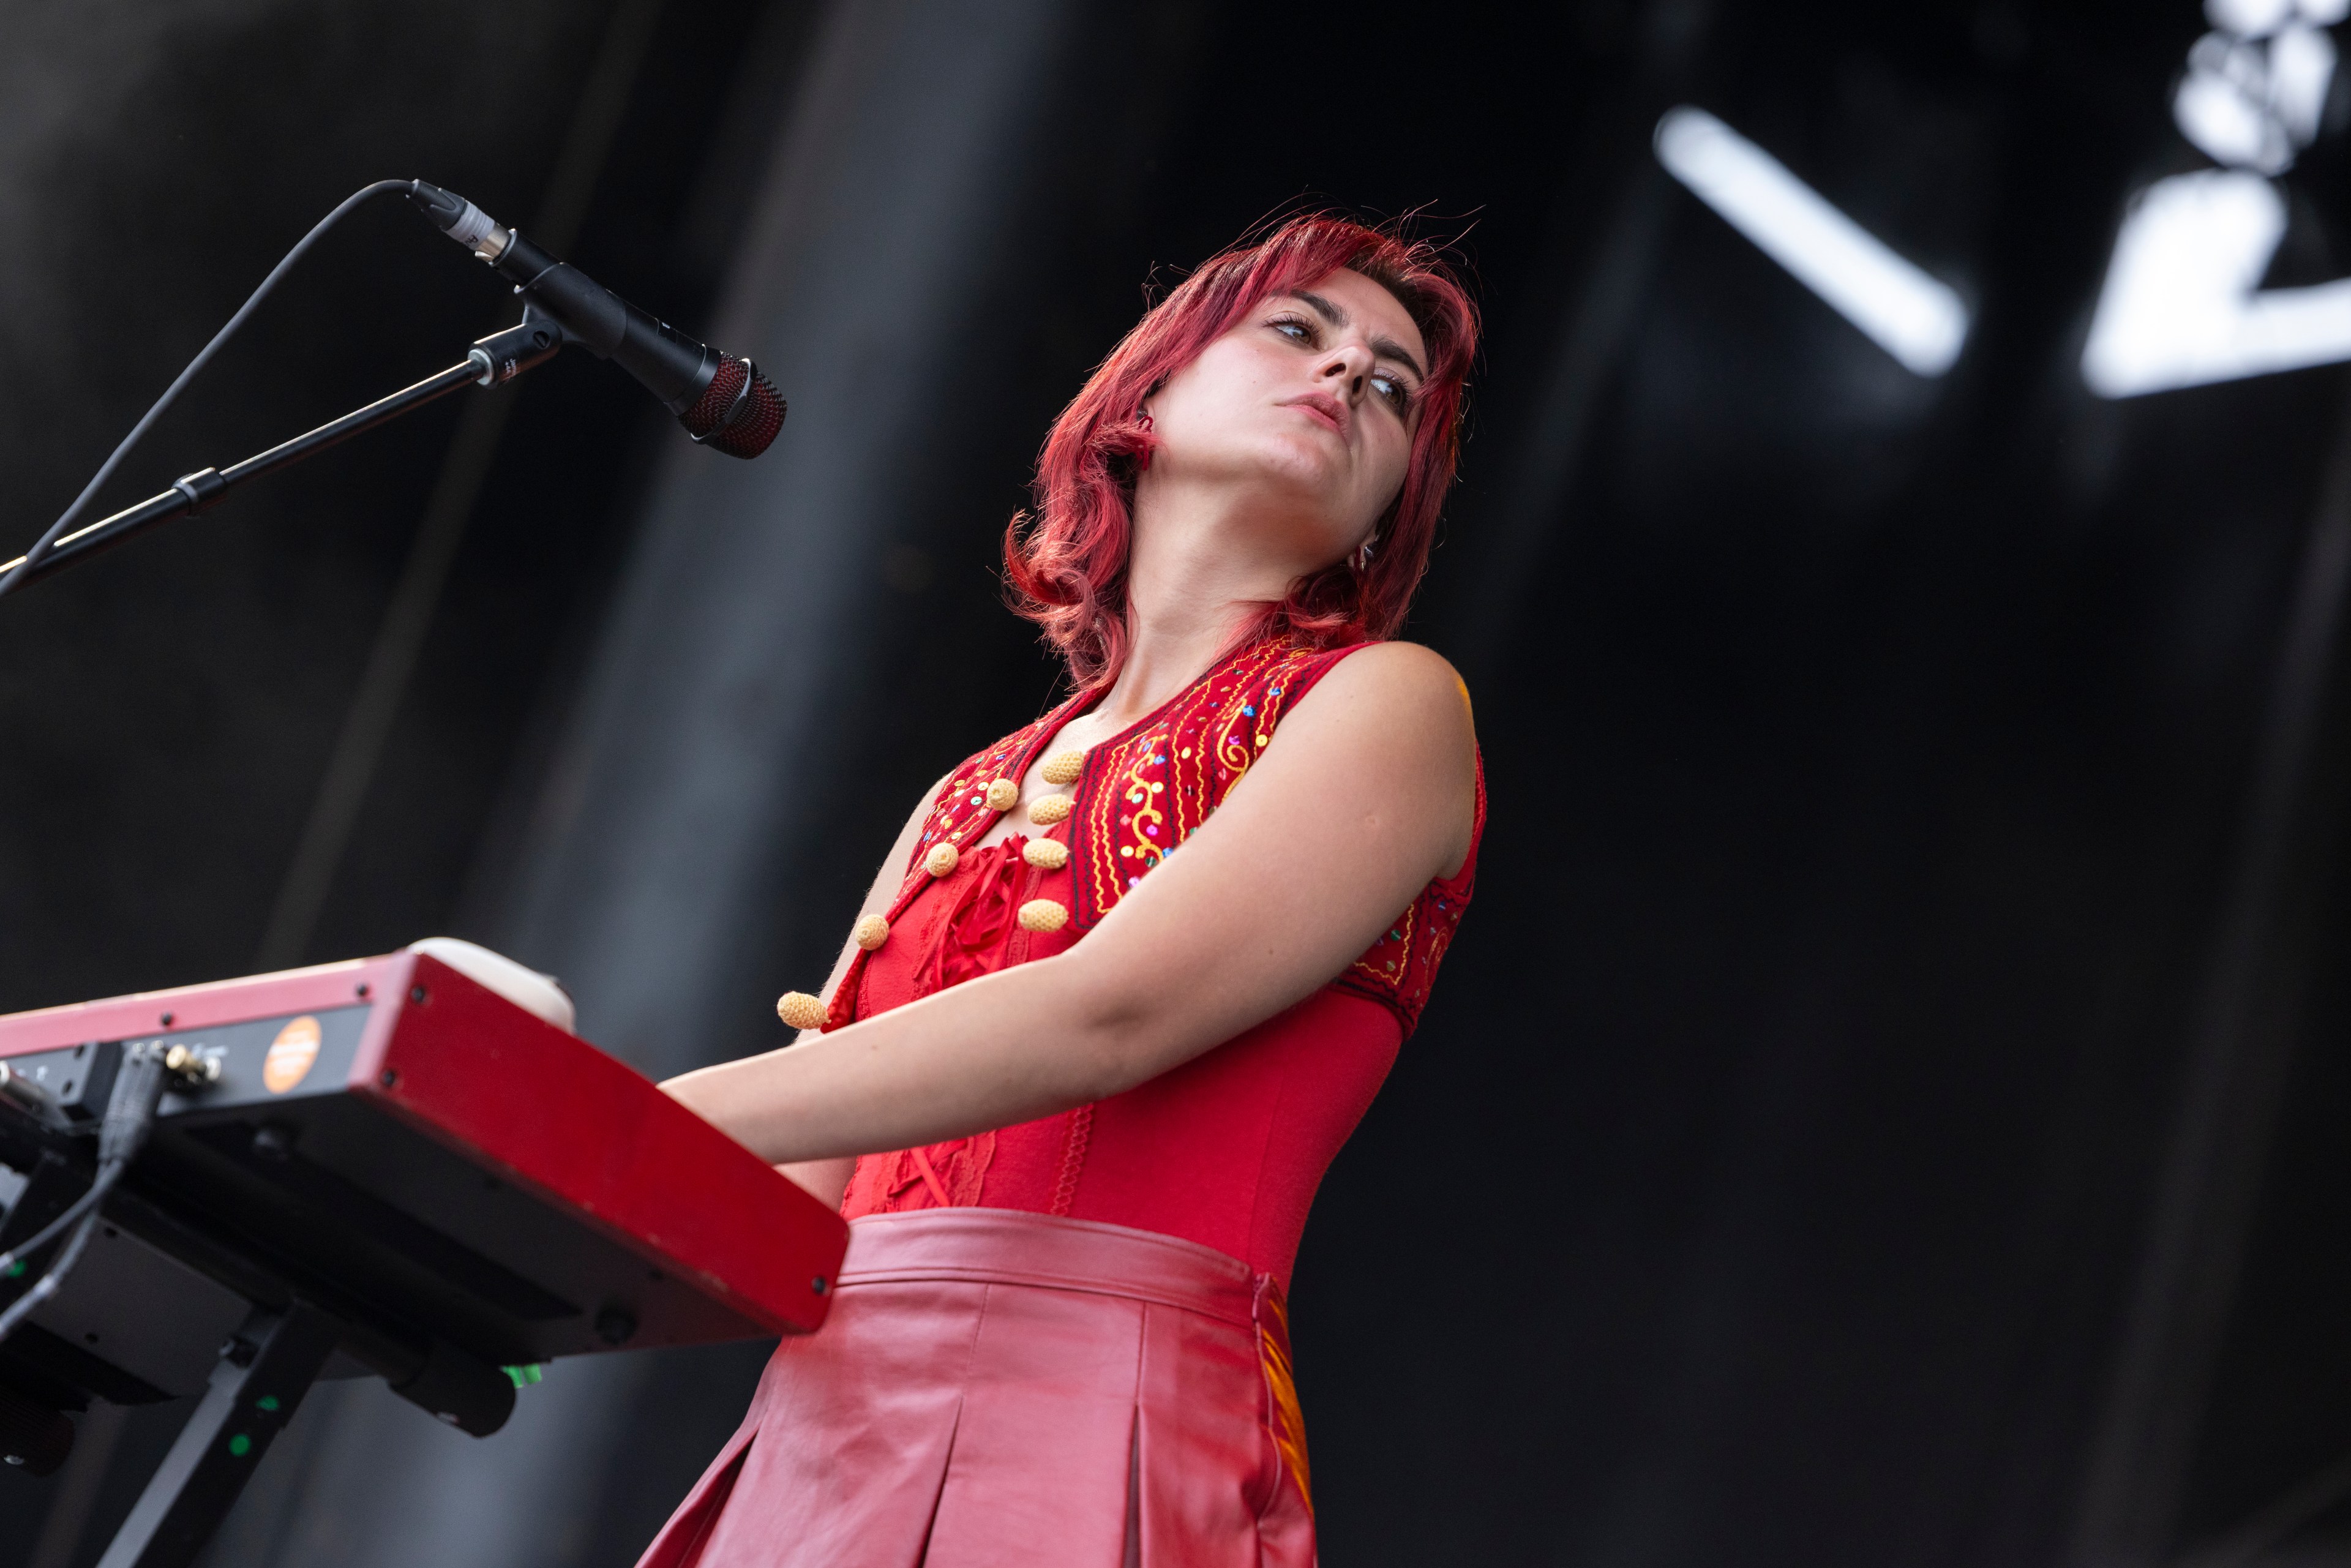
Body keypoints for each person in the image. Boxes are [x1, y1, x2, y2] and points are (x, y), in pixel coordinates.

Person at [643, 213, 1483, 1567]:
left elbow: (1109, 1015)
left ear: (1390, 504)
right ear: (1146, 393)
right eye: (1299, 331)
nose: (1346, 379)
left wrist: (626, 1118)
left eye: (1392, 389)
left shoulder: (1389, 705)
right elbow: (798, 1193)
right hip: (823, 1434)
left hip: (1116, 1412)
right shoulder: (970, 786)